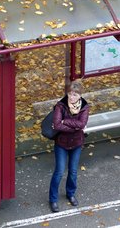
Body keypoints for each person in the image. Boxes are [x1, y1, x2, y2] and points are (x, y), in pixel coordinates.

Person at [49, 80, 89, 212]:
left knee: (73, 172)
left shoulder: (84, 106)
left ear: (80, 96)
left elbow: (82, 124)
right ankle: (53, 199)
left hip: (76, 143)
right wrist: (74, 127)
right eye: (70, 94)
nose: (72, 98)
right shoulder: (60, 106)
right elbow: (56, 124)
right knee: (59, 172)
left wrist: (65, 121)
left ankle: (70, 193)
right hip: (61, 143)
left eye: (75, 95)